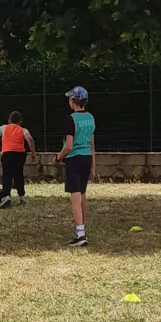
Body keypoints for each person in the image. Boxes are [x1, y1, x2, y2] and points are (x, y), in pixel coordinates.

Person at [56, 86, 95, 248]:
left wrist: (58, 157)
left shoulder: (70, 119)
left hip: (74, 160)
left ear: (74, 101)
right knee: (82, 195)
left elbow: (69, 146)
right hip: (87, 158)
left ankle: (80, 234)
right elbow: (92, 143)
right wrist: (93, 166)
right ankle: (82, 230)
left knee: (75, 197)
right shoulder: (91, 118)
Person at [0, 111, 32, 207]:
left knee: (7, 174)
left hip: (7, 154)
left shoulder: (3, 128)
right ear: (20, 122)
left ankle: (6, 196)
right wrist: (33, 153)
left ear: (9, 121)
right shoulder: (23, 130)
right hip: (20, 154)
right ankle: (21, 198)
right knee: (19, 175)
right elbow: (30, 139)